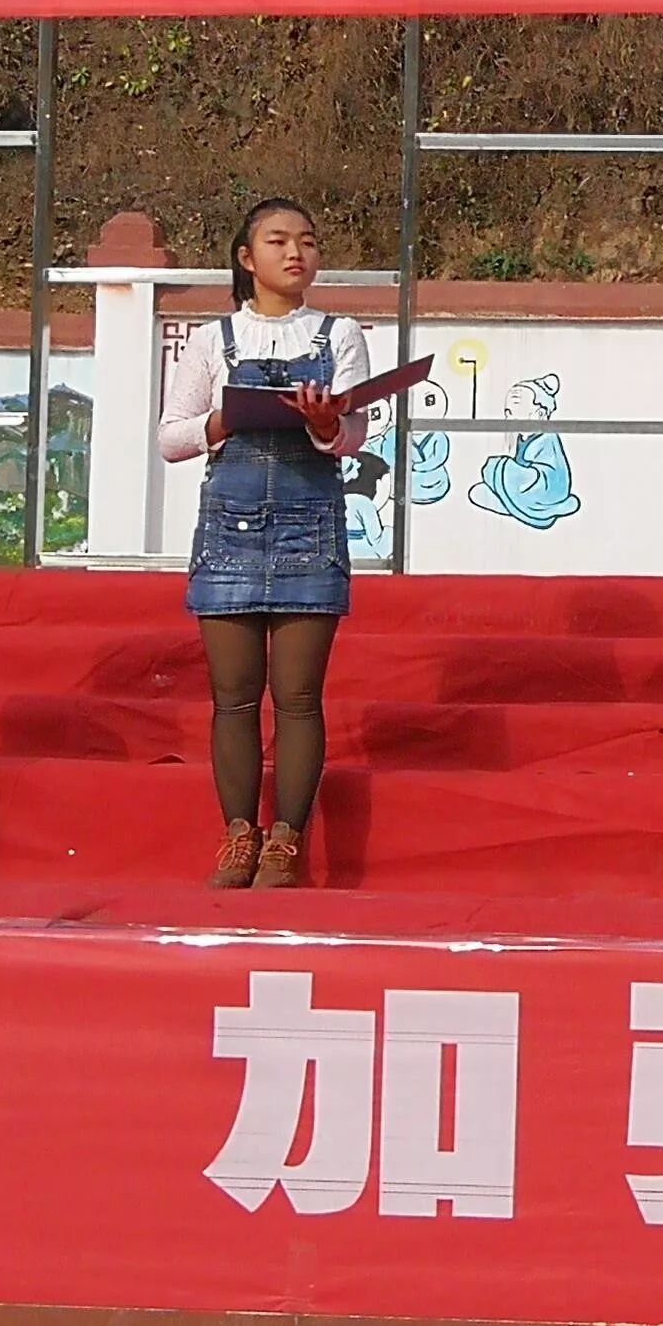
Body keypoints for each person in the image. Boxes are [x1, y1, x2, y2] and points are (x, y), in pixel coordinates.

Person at [158, 198, 376, 889]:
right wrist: (221, 420)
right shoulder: (211, 339)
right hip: (231, 527)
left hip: (310, 524)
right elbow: (170, 437)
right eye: (278, 241)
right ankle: (237, 833)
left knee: (299, 695)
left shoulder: (340, 335)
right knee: (234, 696)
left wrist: (324, 424)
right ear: (246, 258)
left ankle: (287, 837)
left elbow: (354, 437)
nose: (295, 254)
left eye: (307, 241)